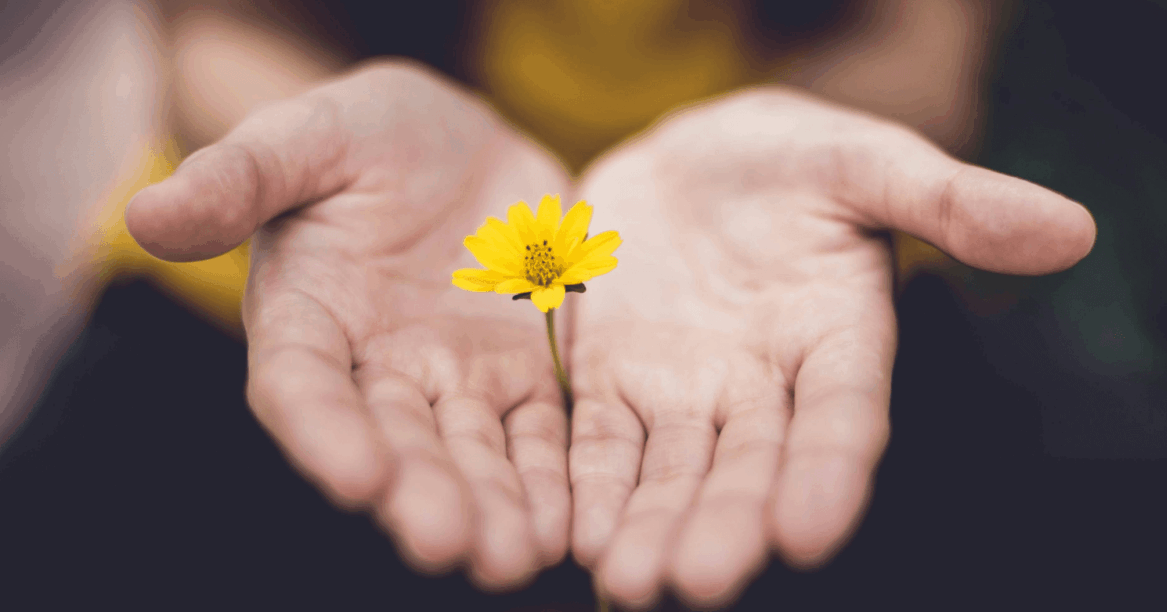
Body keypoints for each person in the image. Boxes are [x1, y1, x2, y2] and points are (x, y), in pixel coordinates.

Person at [125, 58, 1094, 609]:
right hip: (346, 287)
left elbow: (922, 47)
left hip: (776, 294)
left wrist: (799, 132)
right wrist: (304, 141)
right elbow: (199, 35)